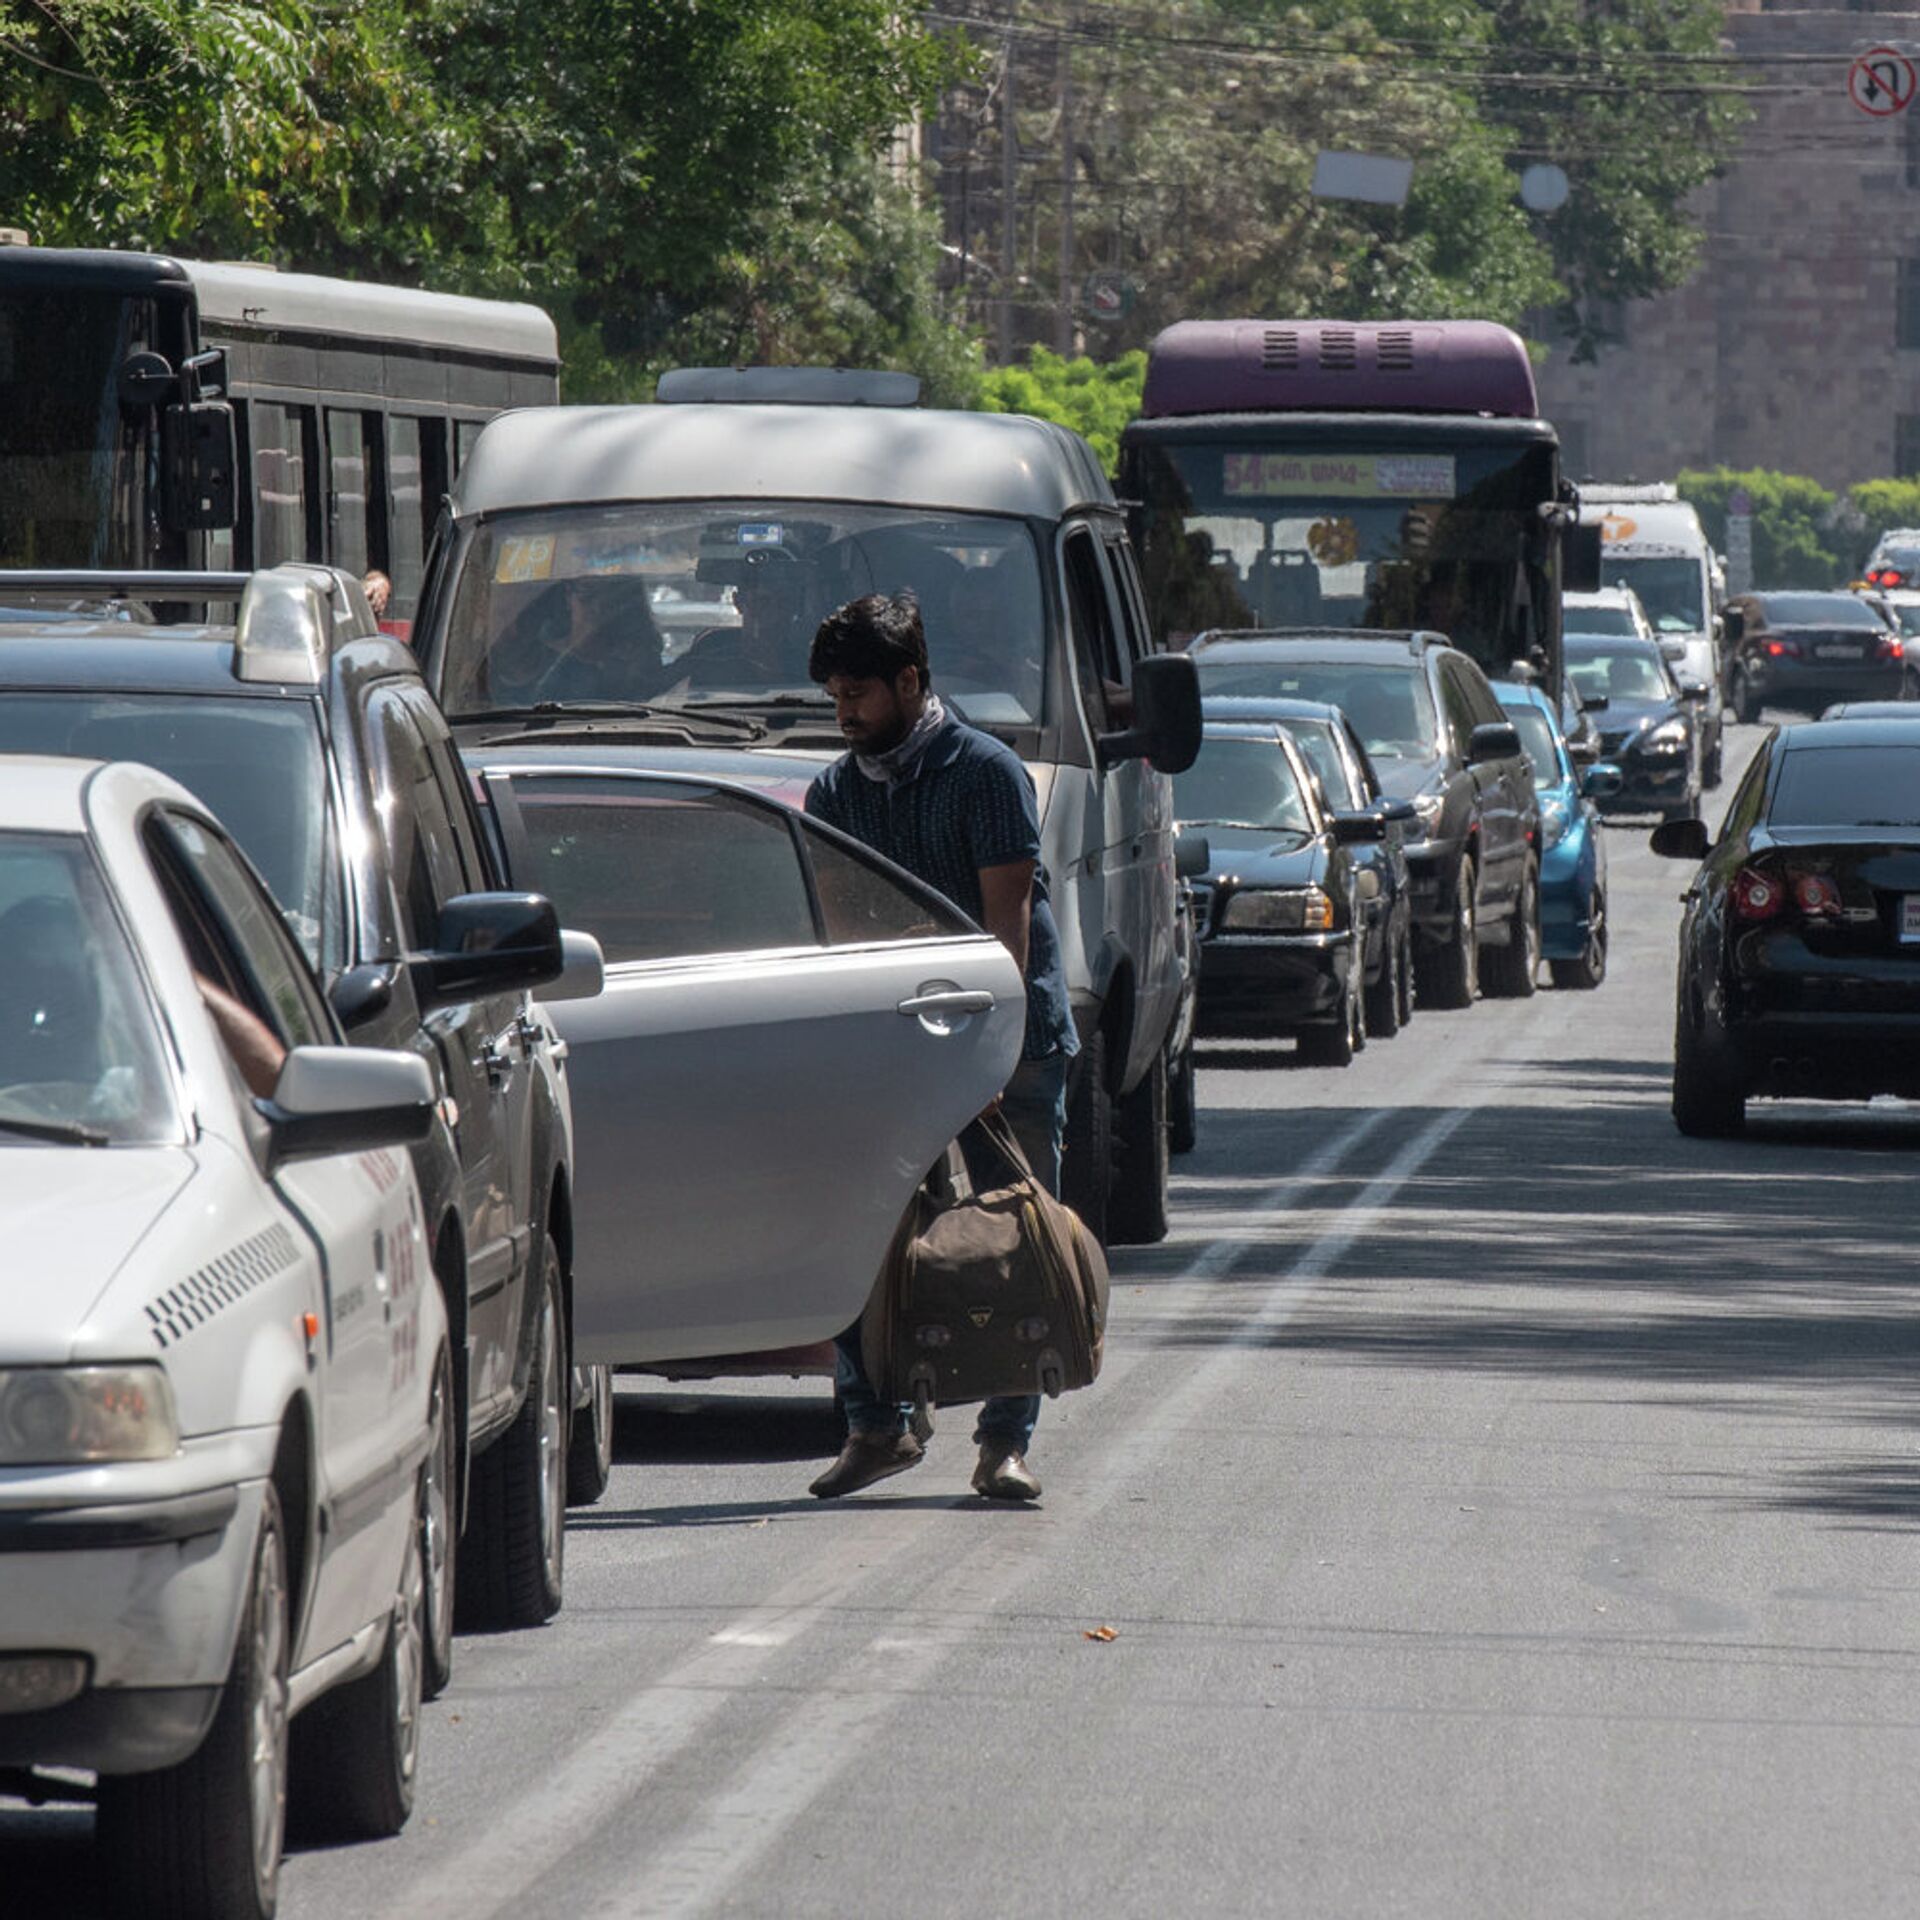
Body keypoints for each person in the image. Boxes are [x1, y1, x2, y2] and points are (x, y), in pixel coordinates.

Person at [802, 592, 1078, 1503]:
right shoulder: (834, 791)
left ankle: (1005, 1443)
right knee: (863, 1231)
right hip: (898, 1052)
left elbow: (1009, 934)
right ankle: (876, 1427)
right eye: (836, 697)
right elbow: (847, 944)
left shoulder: (989, 774)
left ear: (912, 682)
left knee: (1017, 1244)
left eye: (859, 695)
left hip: (1009, 1043)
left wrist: (986, 1056)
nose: (844, 715)